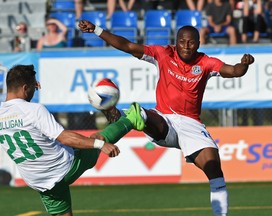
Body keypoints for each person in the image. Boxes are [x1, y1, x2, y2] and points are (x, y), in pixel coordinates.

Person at [78, 20, 255, 216]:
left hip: (192, 126)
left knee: (216, 173)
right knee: (142, 113)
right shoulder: (163, 54)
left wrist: (244, 65)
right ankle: (117, 126)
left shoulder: (206, 63)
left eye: (191, 42)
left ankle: (119, 115)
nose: (186, 46)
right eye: (182, 41)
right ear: (176, 42)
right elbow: (127, 45)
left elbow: (234, 71)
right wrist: (97, 30)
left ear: (198, 43)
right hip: (164, 120)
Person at [0, 64, 144, 216]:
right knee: (95, 139)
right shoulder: (33, 110)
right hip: (65, 167)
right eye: (34, 87)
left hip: (39, 182)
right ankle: (132, 119)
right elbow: (65, 138)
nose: (35, 89)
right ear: (25, 88)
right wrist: (101, 145)